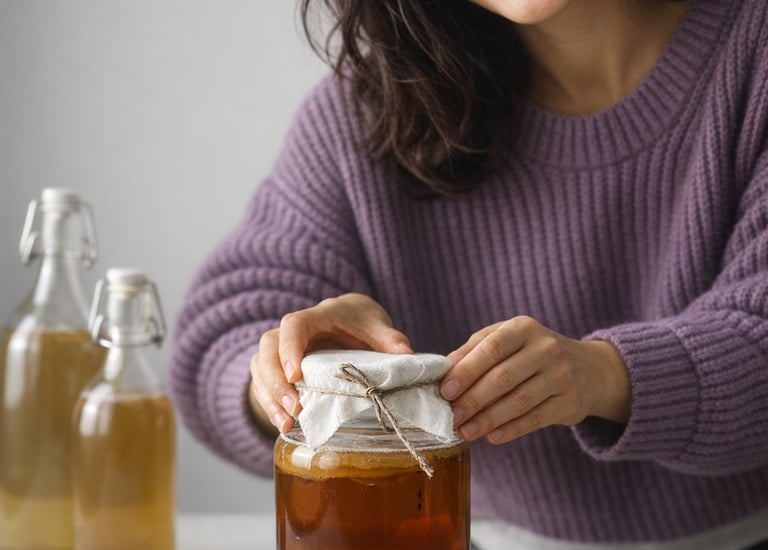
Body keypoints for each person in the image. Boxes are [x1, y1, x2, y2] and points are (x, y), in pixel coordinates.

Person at [170, 0, 768, 547]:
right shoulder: (370, 109)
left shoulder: (753, 47)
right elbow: (215, 347)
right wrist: (293, 378)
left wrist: (603, 375)